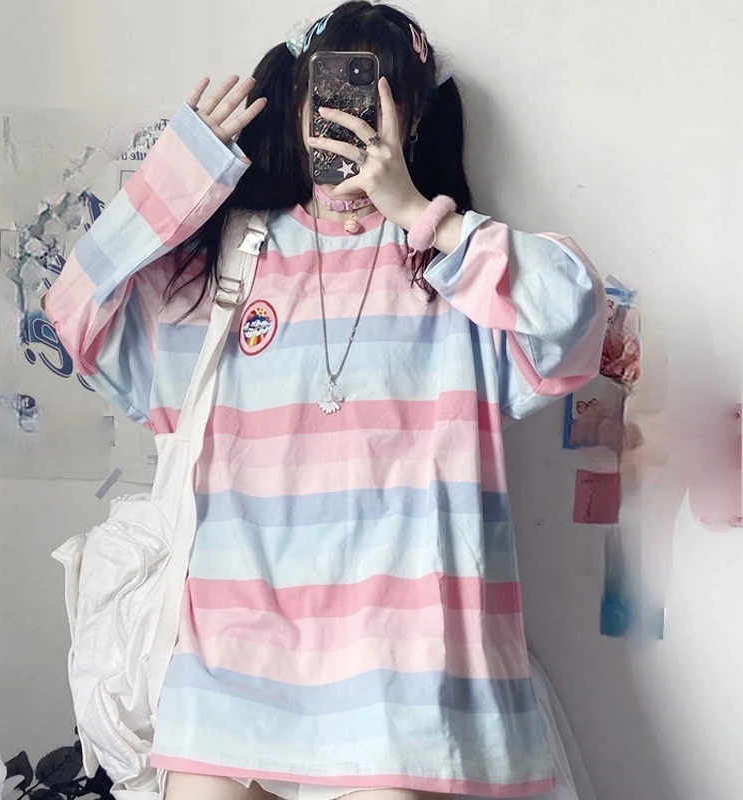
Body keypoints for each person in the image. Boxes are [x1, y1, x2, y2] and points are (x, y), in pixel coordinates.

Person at [43, 2, 606, 800]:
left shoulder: (456, 272)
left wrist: (421, 216)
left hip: (402, 678)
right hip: (229, 661)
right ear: (300, 101)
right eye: (330, 90)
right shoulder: (234, 258)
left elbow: (577, 318)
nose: (348, 115)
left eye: (376, 94)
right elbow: (75, 314)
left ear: (412, 118)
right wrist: (177, 177)